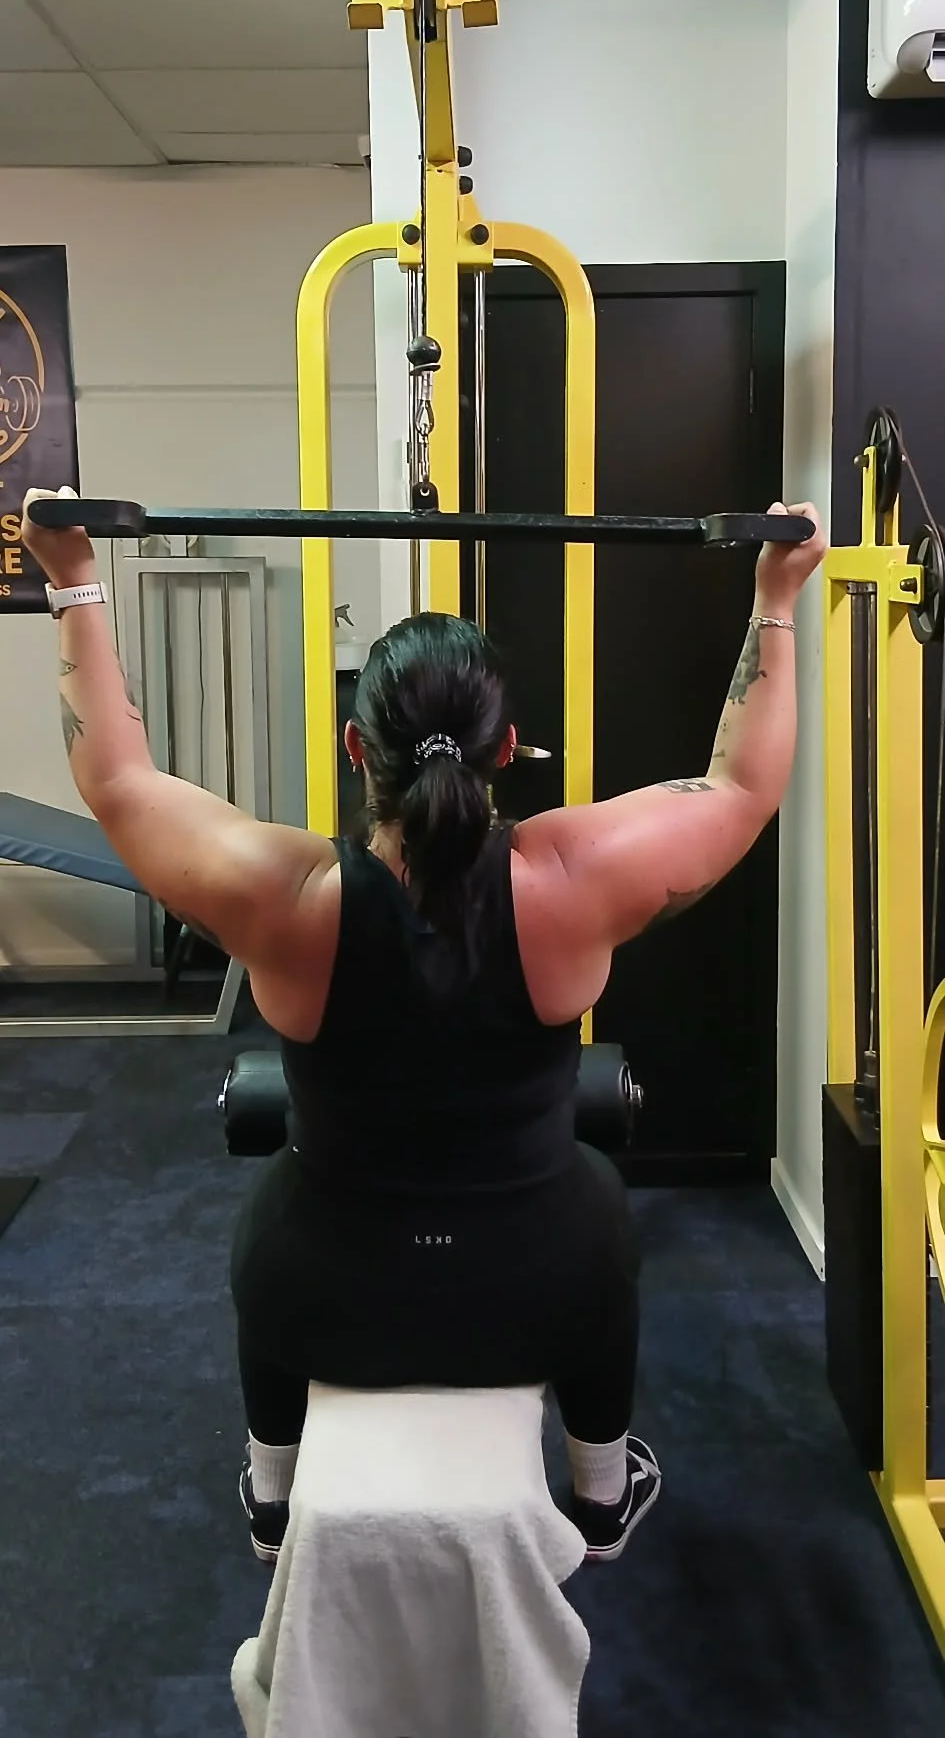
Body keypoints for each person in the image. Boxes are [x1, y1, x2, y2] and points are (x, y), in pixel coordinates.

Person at [22, 486, 826, 1567]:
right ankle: (600, 1492)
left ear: (356, 748)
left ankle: (272, 1493)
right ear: (509, 750)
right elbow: (741, 788)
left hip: (326, 1295)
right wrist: (776, 596)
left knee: (270, 1218)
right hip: (538, 1291)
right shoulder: (572, 881)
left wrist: (74, 578)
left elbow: (117, 780)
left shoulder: (287, 898)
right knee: (595, 1200)